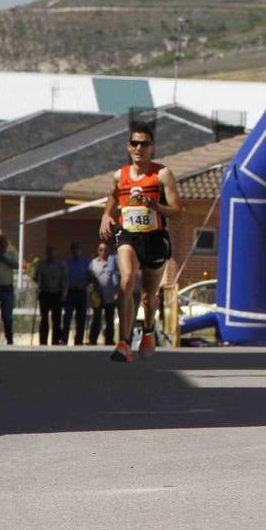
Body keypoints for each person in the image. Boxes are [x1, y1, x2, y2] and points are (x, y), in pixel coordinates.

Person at [99, 121, 184, 362]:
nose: (139, 148)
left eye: (144, 144)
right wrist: (107, 216)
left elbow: (178, 212)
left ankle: (148, 331)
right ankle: (124, 343)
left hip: (155, 238)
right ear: (128, 147)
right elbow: (113, 200)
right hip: (129, 235)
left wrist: (154, 205)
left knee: (149, 296)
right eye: (135, 143)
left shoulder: (162, 174)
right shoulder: (120, 176)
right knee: (126, 281)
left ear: (152, 148)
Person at [34, 244, 68, 346]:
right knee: (44, 319)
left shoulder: (61, 264)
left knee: (56, 319)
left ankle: (55, 340)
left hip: (56, 294)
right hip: (45, 294)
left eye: (52, 252)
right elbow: (35, 278)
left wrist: (64, 293)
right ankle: (43, 341)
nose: (51, 255)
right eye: (49, 252)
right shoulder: (42, 264)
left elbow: (65, 280)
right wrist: (38, 276)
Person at [87, 240, 120, 345]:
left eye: (105, 249)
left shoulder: (113, 262)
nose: (103, 252)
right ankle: (93, 340)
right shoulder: (93, 263)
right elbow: (89, 278)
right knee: (96, 318)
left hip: (109, 295)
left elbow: (117, 277)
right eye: (101, 250)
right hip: (97, 295)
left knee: (109, 319)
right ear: (98, 251)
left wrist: (116, 292)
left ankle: (109, 341)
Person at [61, 241, 92, 346]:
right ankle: (64, 339)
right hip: (70, 292)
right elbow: (64, 277)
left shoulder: (86, 261)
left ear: (80, 250)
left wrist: (84, 284)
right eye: (74, 249)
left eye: (78, 249)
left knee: (81, 318)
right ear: (71, 250)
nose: (76, 251)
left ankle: (78, 341)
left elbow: (90, 276)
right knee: (67, 317)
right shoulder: (67, 262)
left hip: (81, 292)